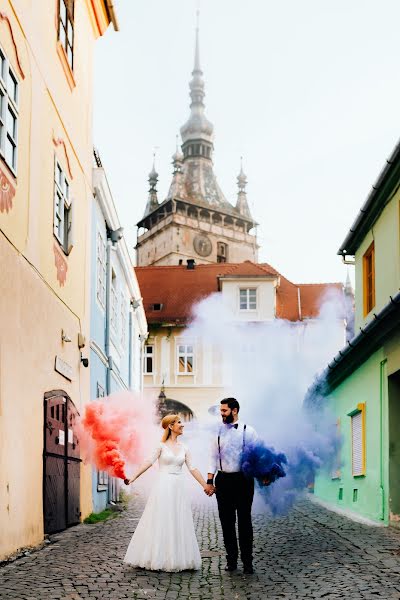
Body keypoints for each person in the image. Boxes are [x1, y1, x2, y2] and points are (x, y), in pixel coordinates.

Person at [123, 414, 208, 572]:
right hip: (163, 486)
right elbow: (148, 462)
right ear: (170, 426)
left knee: (178, 518)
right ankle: (156, 556)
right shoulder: (160, 446)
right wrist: (133, 477)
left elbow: (193, 468)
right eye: (179, 423)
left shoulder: (185, 448)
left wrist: (205, 485)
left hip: (178, 487)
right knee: (161, 519)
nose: (182, 425)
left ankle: (177, 558)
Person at [205, 398, 258, 575]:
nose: (221, 414)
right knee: (226, 522)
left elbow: (256, 456)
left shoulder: (248, 431)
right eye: (221, 411)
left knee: (244, 521)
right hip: (223, 480)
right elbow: (212, 458)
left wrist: (263, 474)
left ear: (234, 411)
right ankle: (231, 560)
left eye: (224, 411)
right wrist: (209, 481)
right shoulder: (217, 432)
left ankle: (248, 562)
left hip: (243, 480)